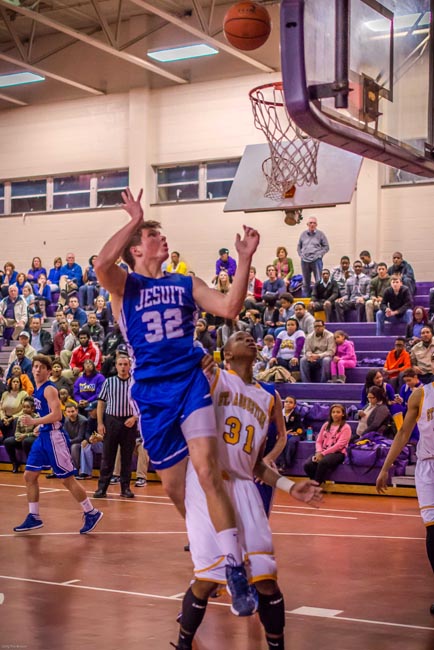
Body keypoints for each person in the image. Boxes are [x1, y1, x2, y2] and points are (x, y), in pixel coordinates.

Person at [94, 187, 261, 615]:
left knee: (207, 470)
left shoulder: (186, 283)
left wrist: (244, 260)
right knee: (173, 487)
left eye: (161, 235)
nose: (163, 240)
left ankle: (234, 567)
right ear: (136, 249)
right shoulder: (124, 285)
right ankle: (210, 545)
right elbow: (100, 265)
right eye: (154, 236)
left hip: (189, 382)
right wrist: (135, 220)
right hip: (152, 395)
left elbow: (229, 307)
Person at [174, 331, 322, 650]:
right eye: (241, 337)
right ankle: (184, 644)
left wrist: (289, 486)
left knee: (266, 579)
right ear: (226, 354)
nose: (250, 339)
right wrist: (199, 363)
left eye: (252, 337)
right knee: (207, 579)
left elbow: (255, 465)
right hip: (206, 482)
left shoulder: (268, 397)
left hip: (244, 484)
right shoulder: (215, 378)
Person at [13, 354, 103, 534]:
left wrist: (35, 421)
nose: (37, 370)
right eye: (35, 366)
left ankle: (91, 512)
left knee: (66, 479)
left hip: (55, 438)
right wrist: (40, 425)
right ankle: (34, 516)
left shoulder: (49, 389)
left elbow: (57, 415)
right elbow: (47, 415)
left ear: (48, 371)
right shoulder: (37, 389)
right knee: (29, 476)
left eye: (41, 367)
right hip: (44, 436)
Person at [376, 383, 434, 614]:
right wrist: (385, 468)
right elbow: (403, 433)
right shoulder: (421, 394)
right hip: (428, 466)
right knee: (432, 528)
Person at [93, 355, 138, 499]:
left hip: (129, 422)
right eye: (120, 364)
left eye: (125, 364)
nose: (123, 367)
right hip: (111, 421)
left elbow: (142, 403)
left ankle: (125, 488)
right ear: (116, 366)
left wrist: (135, 418)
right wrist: (100, 423)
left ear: (129, 366)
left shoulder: (135, 382)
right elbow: (101, 403)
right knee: (107, 456)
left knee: (127, 457)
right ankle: (102, 488)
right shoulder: (109, 381)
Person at [303, 404, 351, 484]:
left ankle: (316, 484)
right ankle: (316, 481)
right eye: (333, 412)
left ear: (343, 414)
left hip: (338, 453)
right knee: (307, 465)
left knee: (323, 462)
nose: (335, 414)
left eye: (338, 412)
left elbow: (339, 445)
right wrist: (318, 451)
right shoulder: (326, 425)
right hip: (322, 451)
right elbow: (319, 441)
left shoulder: (346, 427)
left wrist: (323, 454)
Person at [296, 216, 329, 297]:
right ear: (307, 224)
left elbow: (326, 247)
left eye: (314, 223)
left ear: (316, 225)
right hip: (304, 260)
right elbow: (299, 246)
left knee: (318, 280)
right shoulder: (303, 234)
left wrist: (319, 255)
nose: (312, 224)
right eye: (310, 223)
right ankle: (305, 298)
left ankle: (319, 297)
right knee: (305, 281)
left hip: (316, 260)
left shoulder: (320, 234)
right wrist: (301, 255)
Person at [4, 396, 38, 473]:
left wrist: (25, 435)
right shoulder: (20, 418)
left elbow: (36, 433)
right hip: (22, 438)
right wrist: (18, 436)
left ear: (32, 409)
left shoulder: (37, 418)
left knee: (26, 441)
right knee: (7, 441)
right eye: (24, 407)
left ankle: (30, 463)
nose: (25, 409)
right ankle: (15, 463)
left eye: (27, 407)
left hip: (32, 439)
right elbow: (16, 432)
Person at [276, 395, 305, 471]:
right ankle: (281, 463)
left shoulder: (296, 415)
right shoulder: (279, 414)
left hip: (294, 433)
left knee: (291, 441)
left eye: (290, 402)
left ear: (294, 405)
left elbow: (298, 426)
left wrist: (291, 432)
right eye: (286, 402)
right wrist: (284, 432)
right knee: (279, 441)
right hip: (282, 433)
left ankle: (287, 462)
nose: (288, 403)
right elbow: (277, 425)